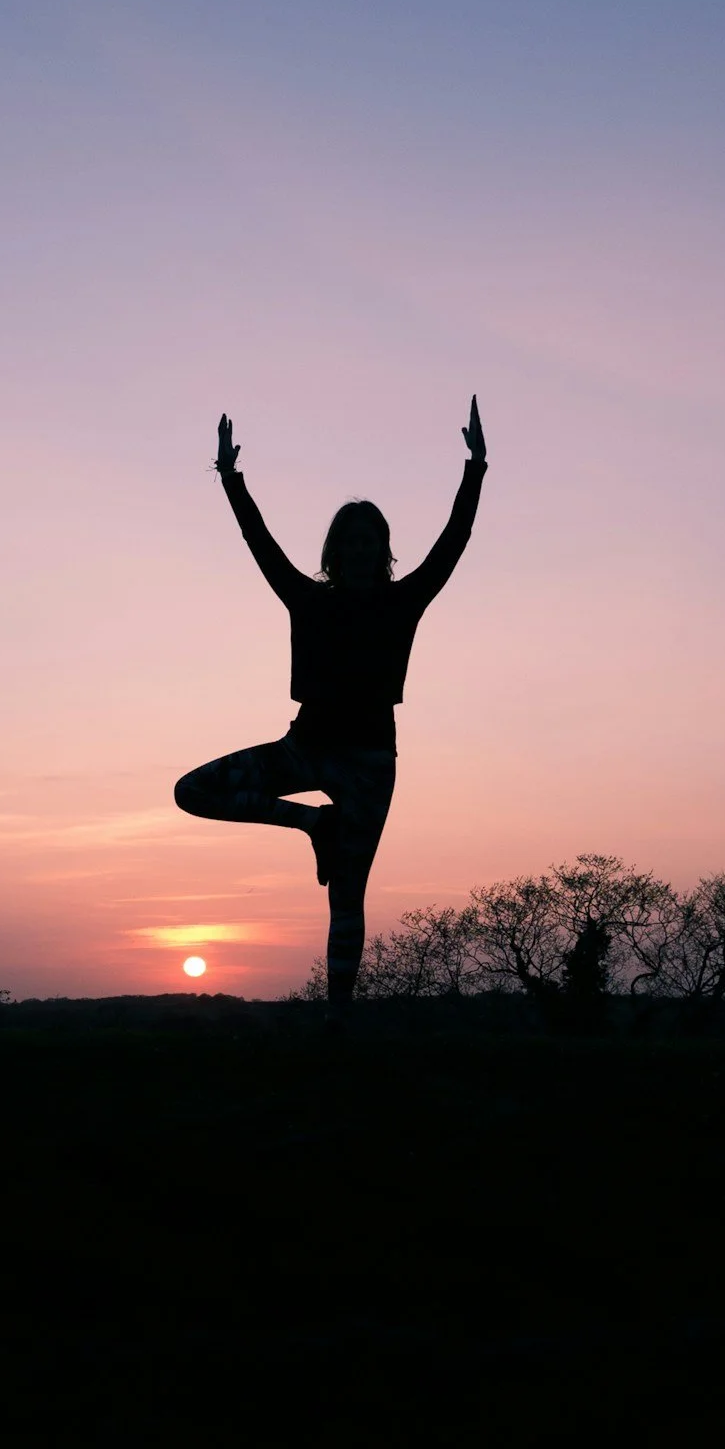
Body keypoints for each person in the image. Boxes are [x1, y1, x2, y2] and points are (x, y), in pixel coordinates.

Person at [174, 395, 488, 1012]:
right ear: (335, 551)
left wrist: (475, 467)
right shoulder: (307, 600)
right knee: (193, 791)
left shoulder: (405, 600)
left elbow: (456, 539)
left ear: (383, 548)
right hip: (306, 749)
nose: (361, 550)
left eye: (370, 541)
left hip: (370, 763)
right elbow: (258, 542)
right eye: (350, 542)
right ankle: (315, 824)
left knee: (347, 898)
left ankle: (337, 1024)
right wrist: (231, 477)